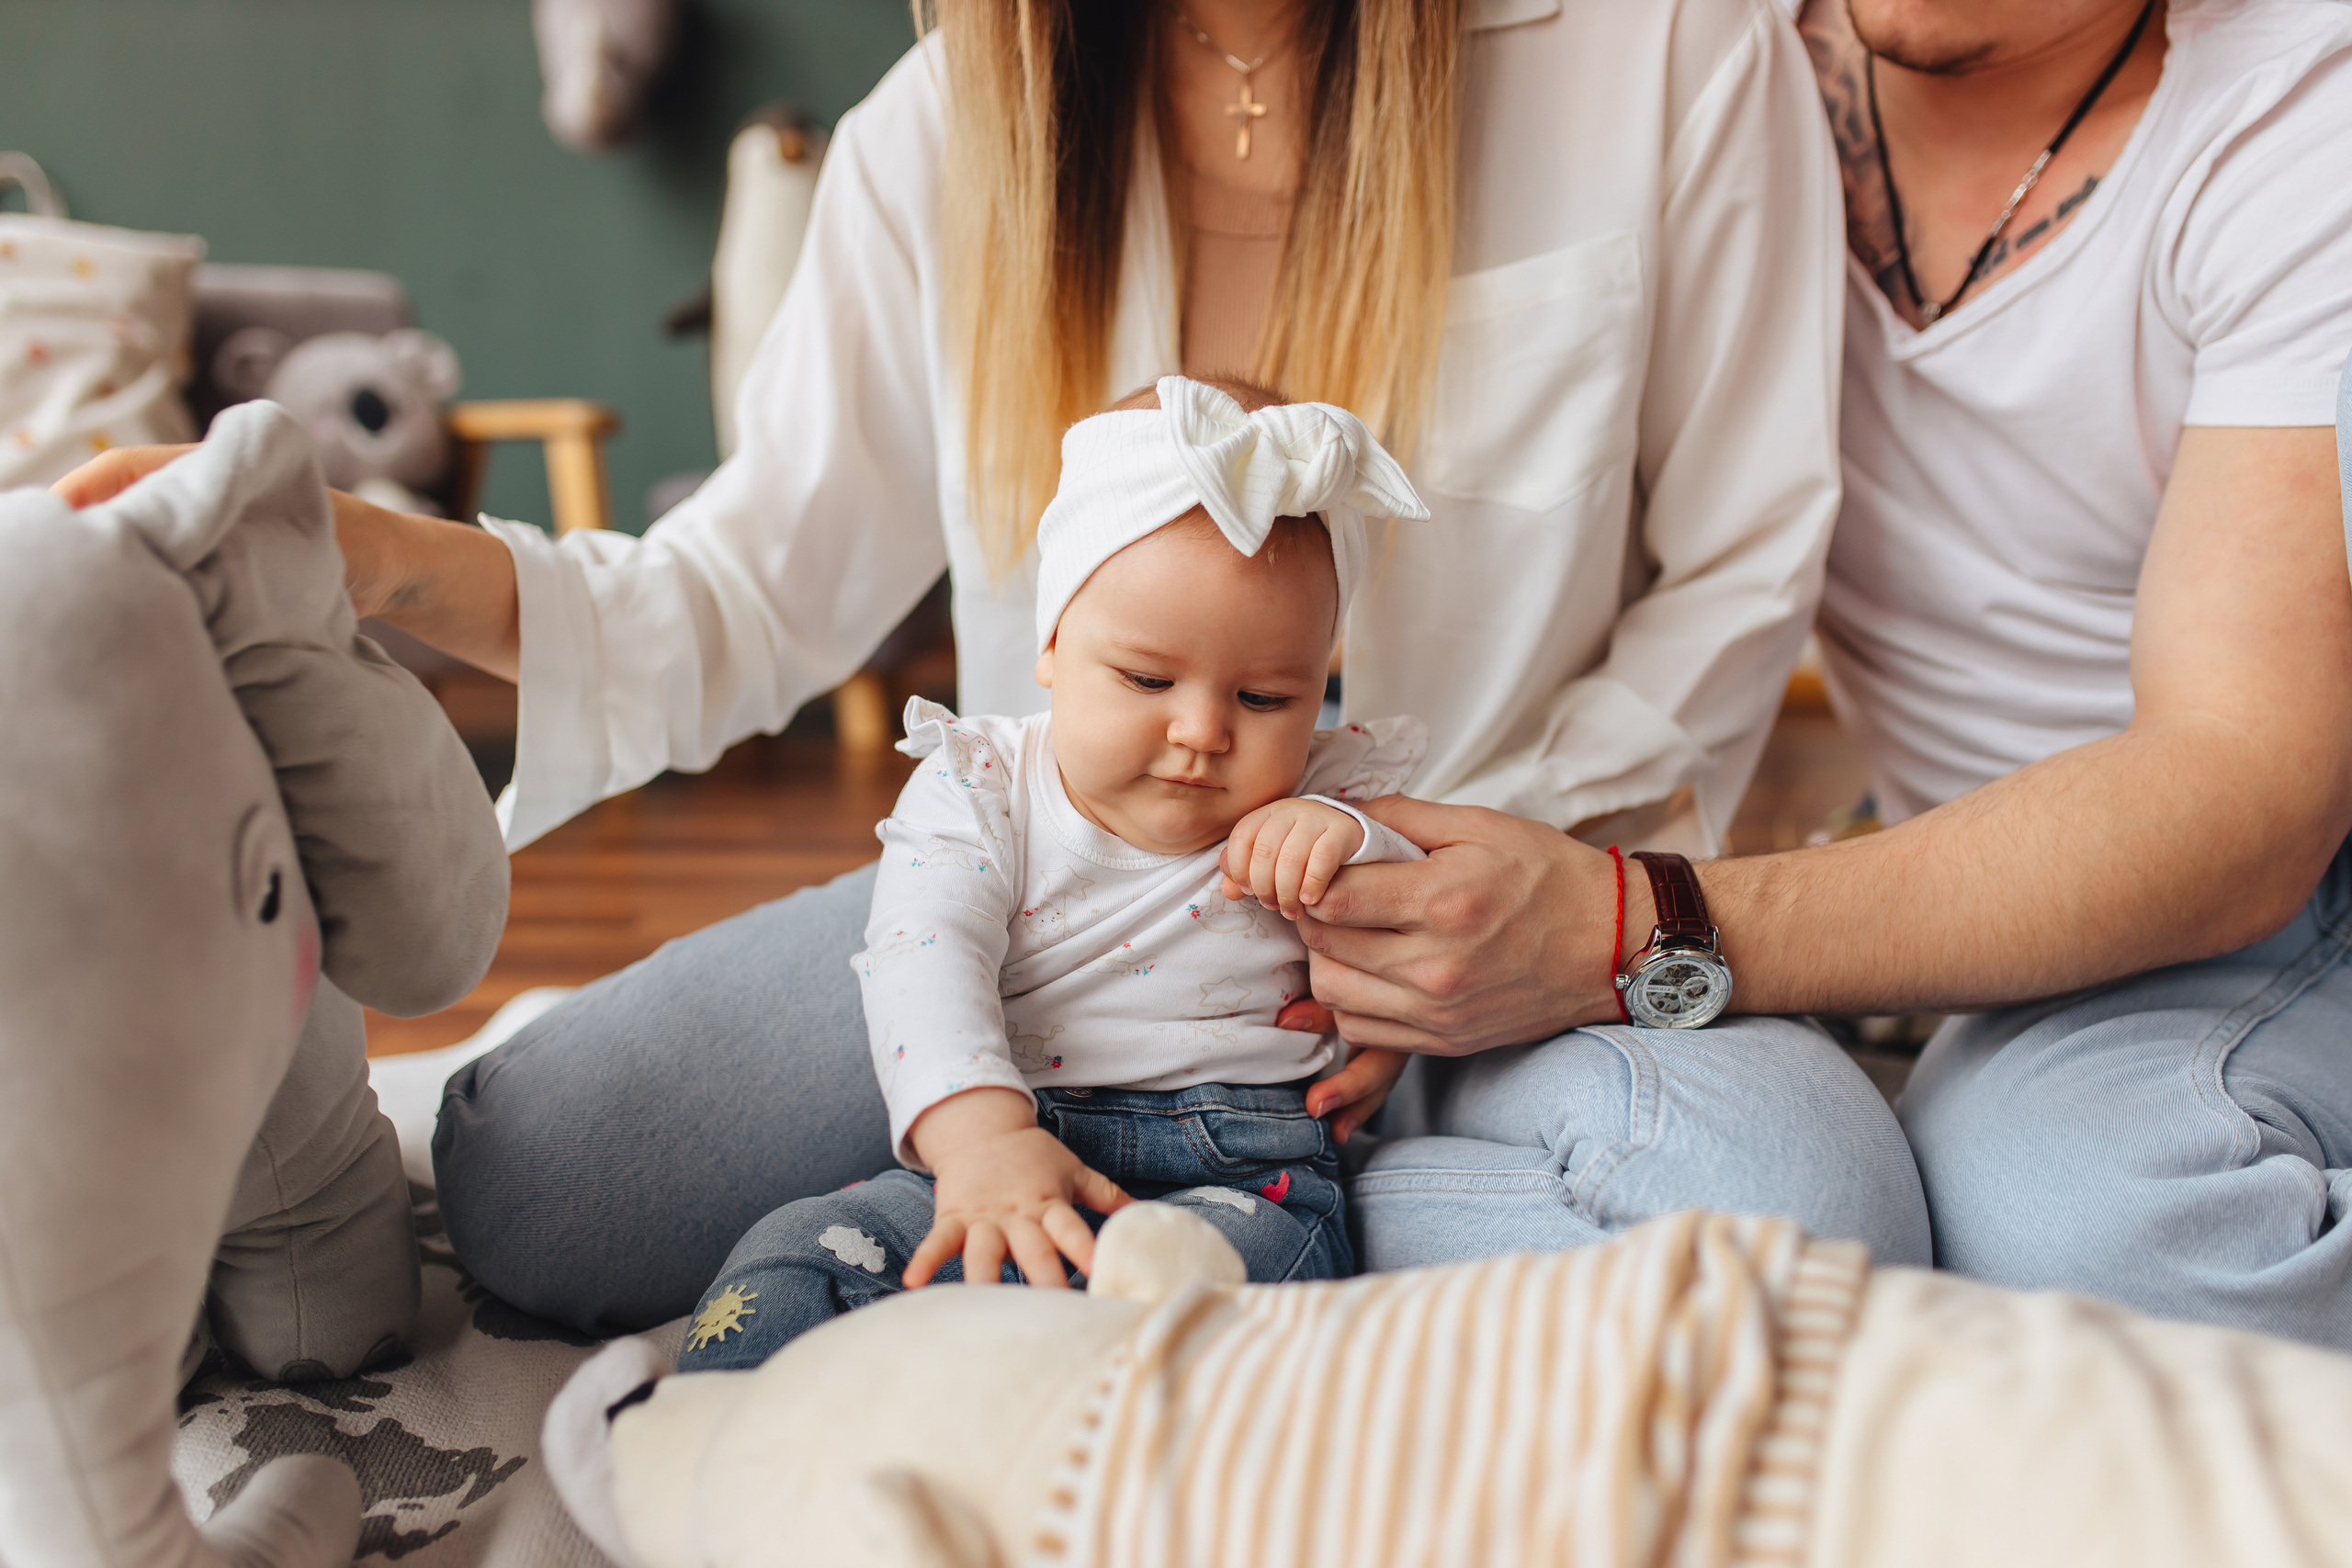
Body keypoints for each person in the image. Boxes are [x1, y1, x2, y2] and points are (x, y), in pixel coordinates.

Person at [60, 0, 1928, 1334]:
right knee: (536, 1187)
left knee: (1811, 1206)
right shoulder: (941, 127)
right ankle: (1194, 1236)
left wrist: (1485, 889)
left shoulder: (1671, 47)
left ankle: (1172, 1244)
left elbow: (1742, 560)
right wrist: (378, 553)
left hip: (1499, 932)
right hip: (1050, 940)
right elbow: (739, 594)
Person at [1287, 0, 2352, 1347]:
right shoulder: (1711, 54)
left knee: (2081, 1214)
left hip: (2287, 885)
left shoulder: (2296, 115)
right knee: (1867, 1191)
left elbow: (2242, 790)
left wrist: (1636, 925)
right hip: (1985, 901)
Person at [674, 377, 1433, 1371]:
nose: (1202, 732)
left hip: (1244, 1175)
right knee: (788, 1260)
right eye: (1147, 680)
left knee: (1237, 1303)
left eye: (1263, 695)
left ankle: (1070, 1425)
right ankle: (748, 1429)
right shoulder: (981, 785)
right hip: (1010, 1125)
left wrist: (1348, 848)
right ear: (1051, 642)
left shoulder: (1330, 794)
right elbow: (922, 951)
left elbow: (1416, 902)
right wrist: (978, 1140)